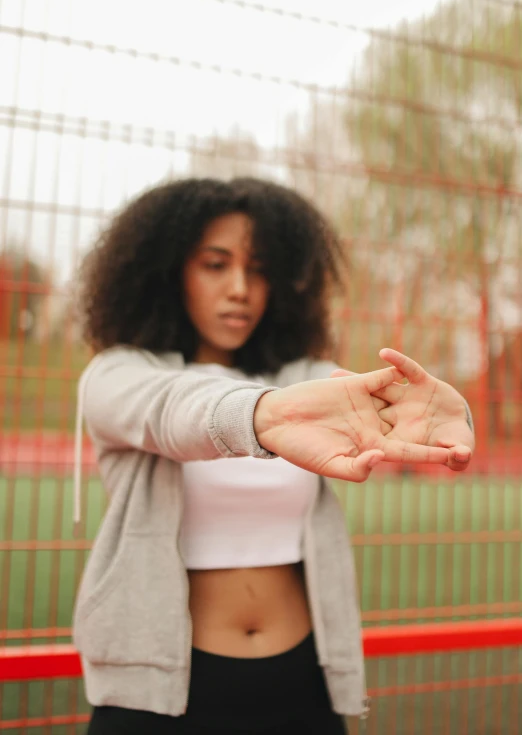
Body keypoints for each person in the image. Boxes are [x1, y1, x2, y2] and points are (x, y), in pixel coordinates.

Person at [73, 178, 474, 735]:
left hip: (303, 680)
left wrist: (429, 413)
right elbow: (172, 409)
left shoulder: (299, 380)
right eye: (215, 264)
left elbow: (365, 400)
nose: (240, 287)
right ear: (168, 273)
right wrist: (263, 415)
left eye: (259, 269)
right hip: (165, 694)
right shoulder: (120, 374)